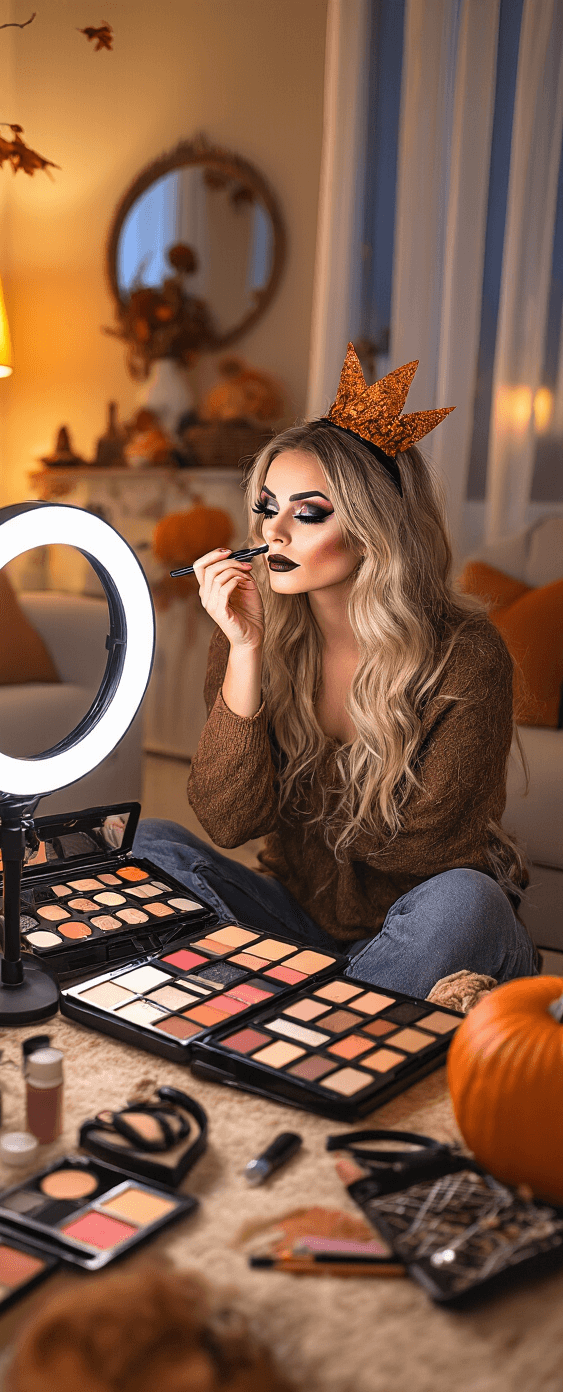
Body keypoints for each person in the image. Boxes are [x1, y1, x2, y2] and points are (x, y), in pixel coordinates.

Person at [133, 345, 538, 998]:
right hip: (305, 931)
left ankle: (293, 1007)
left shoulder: (467, 654)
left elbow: (422, 860)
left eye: (310, 512)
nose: (275, 533)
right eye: (268, 507)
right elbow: (228, 821)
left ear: (377, 530)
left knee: (467, 900)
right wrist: (243, 653)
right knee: (151, 846)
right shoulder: (252, 632)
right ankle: (339, 1008)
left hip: (421, 927)